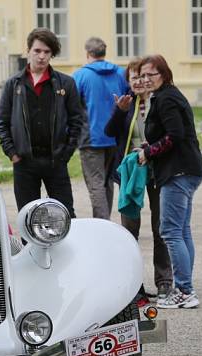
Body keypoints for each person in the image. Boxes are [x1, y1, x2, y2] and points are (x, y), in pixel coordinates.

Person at [134, 55, 202, 309]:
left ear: (164, 74)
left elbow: (174, 136)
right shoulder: (167, 96)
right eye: (142, 75)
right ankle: (185, 288)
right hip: (187, 169)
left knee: (170, 231)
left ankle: (185, 291)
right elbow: (171, 133)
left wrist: (148, 152)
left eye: (151, 74)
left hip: (178, 172)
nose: (145, 79)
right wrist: (148, 146)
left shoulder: (166, 98)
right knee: (182, 230)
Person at [0, 27, 85, 217]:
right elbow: (2, 122)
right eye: (37, 51)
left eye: (47, 52)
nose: (41, 56)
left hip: (55, 160)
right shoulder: (14, 84)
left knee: (66, 214)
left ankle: (66, 248)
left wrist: (66, 153)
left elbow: (77, 121)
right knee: (27, 217)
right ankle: (31, 249)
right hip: (24, 161)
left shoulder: (65, 83)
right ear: (28, 51)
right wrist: (12, 153)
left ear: (52, 54)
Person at [104, 58, 172, 303]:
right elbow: (109, 132)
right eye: (134, 78)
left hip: (157, 169)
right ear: (129, 82)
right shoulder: (126, 104)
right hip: (131, 171)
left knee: (160, 228)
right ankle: (134, 286)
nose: (139, 82)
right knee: (129, 230)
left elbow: (169, 135)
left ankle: (164, 282)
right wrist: (118, 112)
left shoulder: (159, 102)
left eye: (142, 77)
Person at [73, 37, 129, 220]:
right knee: (108, 182)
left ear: (87, 53)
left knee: (95, 183)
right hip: (116, 137)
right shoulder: (121, 74)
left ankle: (102, 222)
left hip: (91, 137)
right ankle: (105, 220)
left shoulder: (80, 76)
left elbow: (72, 108)